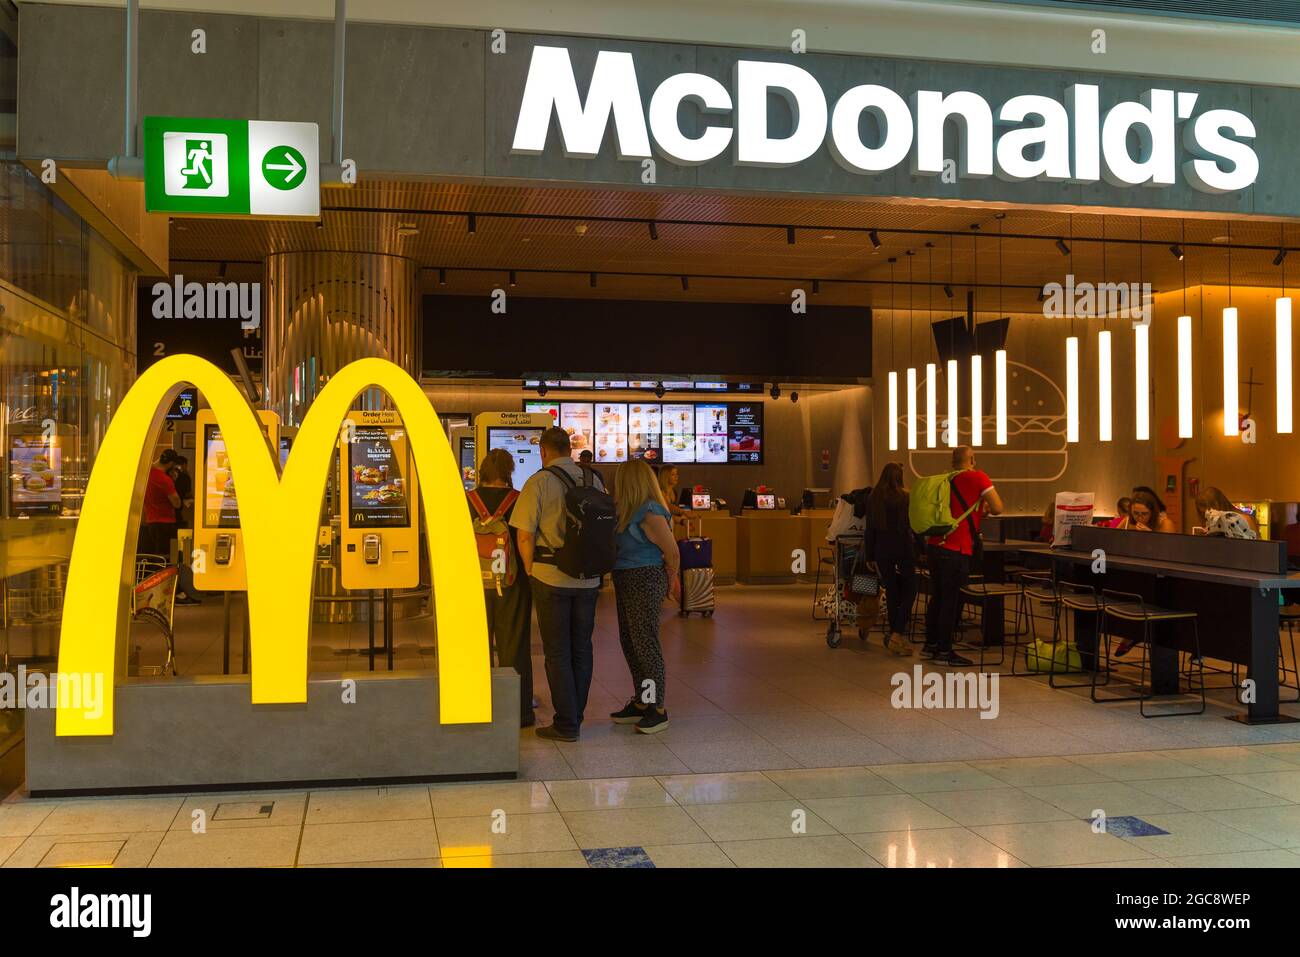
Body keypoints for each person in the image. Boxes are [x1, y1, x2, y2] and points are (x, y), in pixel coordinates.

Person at [510, 427, 606, 742]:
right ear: (570, 448)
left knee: (557, 651)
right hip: (589, 578)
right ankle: (575, 714)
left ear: (544, 451)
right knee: (582, 646)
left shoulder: (539, 481)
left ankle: (566, 723)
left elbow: (524, 534)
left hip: (550, 576)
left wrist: (528, 569)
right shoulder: (594, 480)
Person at [608, 459, 681, 734]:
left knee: (645, 643)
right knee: (631, 641)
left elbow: (672, 551)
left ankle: (656, 707)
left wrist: (671, 582)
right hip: (626, 577)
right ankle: (642, 700)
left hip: (644, 577)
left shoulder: (650, 512)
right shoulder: (627, 511)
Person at [469, 448, 535, 727]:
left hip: (473, 584)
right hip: (512, 583)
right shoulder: (519, 500)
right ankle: (518, 712)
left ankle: (475, 706)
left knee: (476, 646)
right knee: (514, 646)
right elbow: (526, 539)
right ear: (509, 471)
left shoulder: (466, 500)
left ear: (482, 471)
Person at [923, 445, 1003, 666]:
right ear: (972, 459)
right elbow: (998, 507)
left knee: (938, 596)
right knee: (952, 599)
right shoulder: (978, 477)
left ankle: (930, 644)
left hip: (934, 545)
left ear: (952, 461)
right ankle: (944, 650)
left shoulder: (945, 480)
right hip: (956, 548)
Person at [865, 464, 915, 656]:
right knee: (911, 589)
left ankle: (896, 637)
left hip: (881, 550)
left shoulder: (873, 497)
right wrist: (923, 547)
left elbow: (870, 529)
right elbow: (911, 525)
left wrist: (870, 555)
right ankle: (897, 633)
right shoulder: (905, 496)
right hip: (903, 548)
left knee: (892, 591)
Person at [1194, 486, 1258, 538]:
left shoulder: (1245, 519)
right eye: (1203, 514)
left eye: (1209, 512)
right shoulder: (1210, 523)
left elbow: (1257, 548)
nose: (1207, 516)